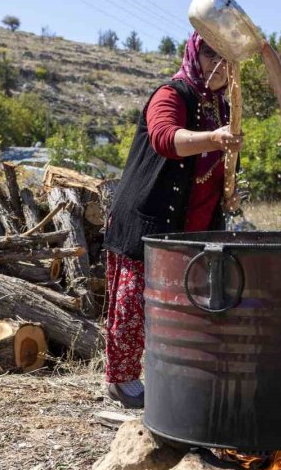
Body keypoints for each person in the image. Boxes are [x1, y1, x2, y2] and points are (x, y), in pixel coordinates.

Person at [102, 31, 243, 408]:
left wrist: (230, 189)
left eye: (226, 57)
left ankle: (179, 378)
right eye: (211, 54)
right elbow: (165, 138)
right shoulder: (173, 94)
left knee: (186, 304)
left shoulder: (224, 107)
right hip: (151, 215)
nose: (218, 64)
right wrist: (215, 138)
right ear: (196, 55)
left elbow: (219, 164)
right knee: (135, 302)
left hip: (195, 224)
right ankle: (123, 380)